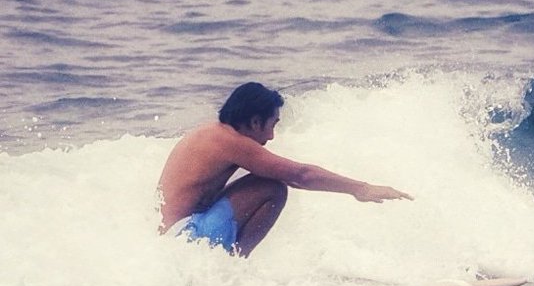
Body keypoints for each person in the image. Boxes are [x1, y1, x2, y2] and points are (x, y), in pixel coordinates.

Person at [158, 82, 411, 256]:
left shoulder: (211, 134)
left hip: (172, 241)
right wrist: (361, 189)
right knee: (273, 187)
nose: (271, 136)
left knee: (263, 178)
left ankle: (229, 267)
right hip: (185, 240)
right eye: (272, 125)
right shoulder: (230, 142)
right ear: (255, 121)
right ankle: (233, 270)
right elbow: (300, 176)